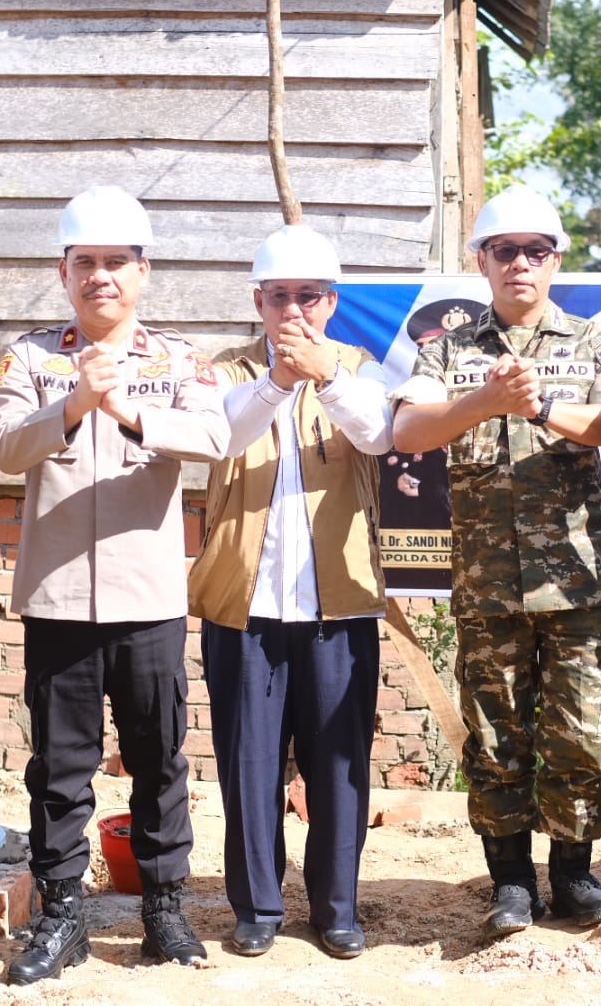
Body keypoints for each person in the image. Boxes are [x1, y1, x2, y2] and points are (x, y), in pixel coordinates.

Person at [0, 186, 228, 984]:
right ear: (64, 272)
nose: (101, 276)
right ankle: (61, 915)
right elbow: (3, 448)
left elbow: (215, 436)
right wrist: (74, 400)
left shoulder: (177, 358)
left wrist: (124, 410)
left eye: (116, 262)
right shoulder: (30, 356)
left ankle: (164, 909)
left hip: (150, 597)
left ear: (143, 270)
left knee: (159, 758)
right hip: (58, 598)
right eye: (84, 262)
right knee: (58, 765)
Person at [390, 184, 601, 936]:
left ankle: (575, 873)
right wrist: (485, 401)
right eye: (504, 251)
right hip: (488, 587)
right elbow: (409, 432)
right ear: (482, 262)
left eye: (535, 251)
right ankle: (512, 883)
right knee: (495, 738)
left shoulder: (594, 343)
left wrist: (534, 407)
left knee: (583, 736)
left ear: (555, 260)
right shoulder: (447, 349)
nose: (520, 263)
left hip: (576, 581)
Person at [188, 224, 392, 961]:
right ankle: (257, 907)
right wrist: (278, 380)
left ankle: (338, 906)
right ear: (259, 301)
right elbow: (224, 438)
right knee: (248, 760)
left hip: (339, 603)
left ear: (332, 302)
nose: (294, 311)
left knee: (339, 760)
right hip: (242, 603)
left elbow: (377, 435)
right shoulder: (223, 372)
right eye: (280, 297)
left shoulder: (364, 367)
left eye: (309, 296)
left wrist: (325, 377)